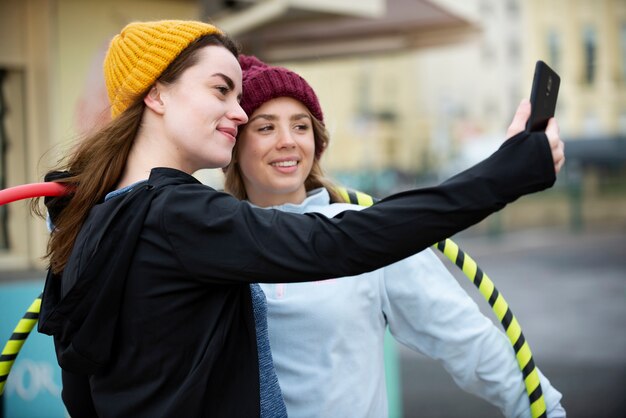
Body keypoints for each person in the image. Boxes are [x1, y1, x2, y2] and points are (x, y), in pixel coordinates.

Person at [35, 20, 564, 418]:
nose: (240, 114)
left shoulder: (87, 220)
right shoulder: (180, 215)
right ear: (156, 93)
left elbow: (79, 393)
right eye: (224, 91)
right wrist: (507, 172)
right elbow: (336, 243)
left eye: (300, 125)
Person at [223, 55, 566, 418]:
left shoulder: (371, 233)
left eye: (301, 126)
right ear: (234, 146)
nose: (287, 141)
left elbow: (467, 340)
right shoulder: (211, 240)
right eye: (265, 128)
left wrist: (547, 410)